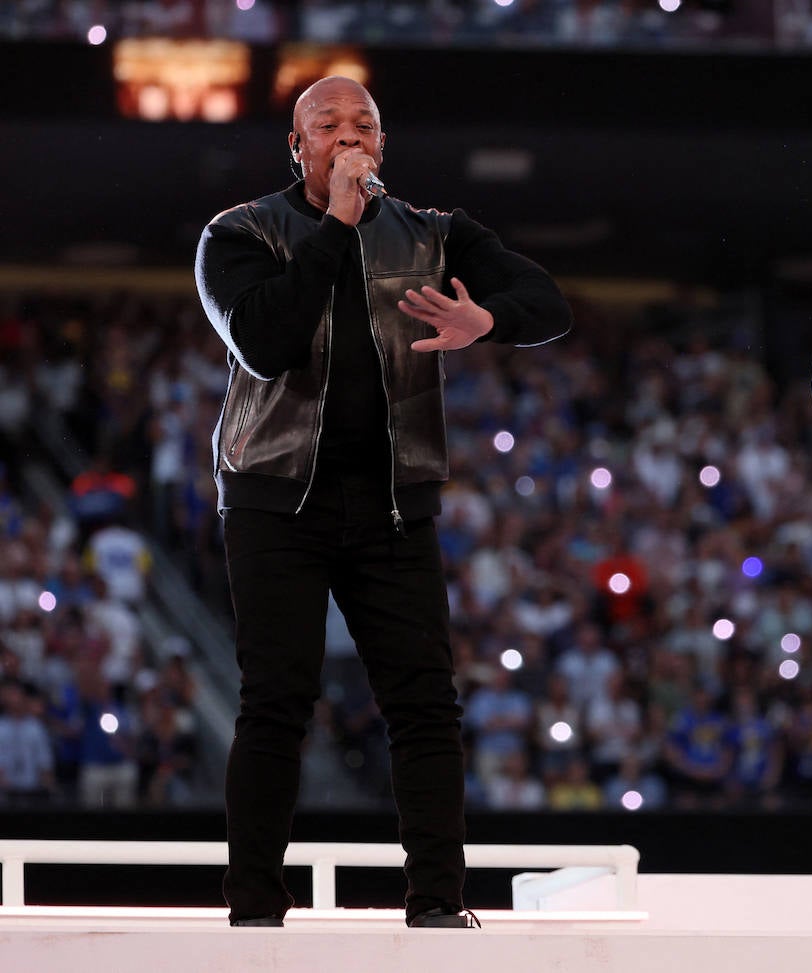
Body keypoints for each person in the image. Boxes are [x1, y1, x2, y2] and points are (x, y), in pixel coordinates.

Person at [194, 76, 572, 928]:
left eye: (364, 122)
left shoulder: (435, 233)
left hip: (395, 504)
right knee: (276, 700)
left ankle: (438, 901)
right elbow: (266, 341)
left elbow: (548, 303)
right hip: (274, 498)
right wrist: (336, 223)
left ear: (384, 146)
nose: (348, 134)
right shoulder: (240, 231)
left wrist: (491, 321)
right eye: (327, 124)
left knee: (425, 702)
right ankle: (255, 905)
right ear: (298, 147)